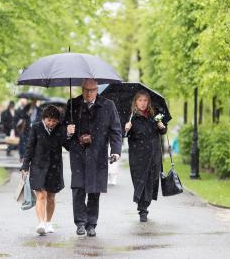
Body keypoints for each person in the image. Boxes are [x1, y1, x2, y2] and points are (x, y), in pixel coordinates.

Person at [65, 79, 122, 237]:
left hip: (98, 153)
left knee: (94, 190)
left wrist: (116, 151)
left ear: (97, 90)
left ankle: (91, 224)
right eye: (86, 90)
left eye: (93, 90)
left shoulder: (108, 105)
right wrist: (68, 131)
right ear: (82, 89)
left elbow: (116, 130)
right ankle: (80, 223)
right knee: (78, 188)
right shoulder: (72, 104)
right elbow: (63, 130)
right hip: (78, 153)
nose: (89, 93)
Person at [21, 105, 69, 235]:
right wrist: (25, 166)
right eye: (49, 120)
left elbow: (68, 146)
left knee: (51, 196)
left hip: (55, 167)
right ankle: (41, 223)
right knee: (41, 195)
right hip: (38, 166)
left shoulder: (60, 129)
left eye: (54, 121)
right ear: (44, 118)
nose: (51, 123)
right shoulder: (36, 127)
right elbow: (30, 147)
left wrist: (69, 134)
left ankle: (48, 222)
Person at [124, 90, 167, 222]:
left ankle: (144, 206)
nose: (142, 103)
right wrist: (126, 129)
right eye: (140, 100)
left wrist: (162, 127)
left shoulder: (154, 116)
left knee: (151, 180)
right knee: (140, 180)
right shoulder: (131, 117)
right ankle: (142, 208)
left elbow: (163, 131)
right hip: (137, 155)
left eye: (145, 100)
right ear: (135, 102)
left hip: (153, 153)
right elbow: (123, 134)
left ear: (148, 102)